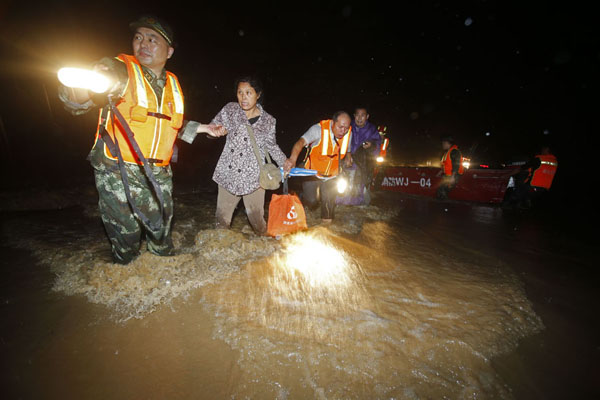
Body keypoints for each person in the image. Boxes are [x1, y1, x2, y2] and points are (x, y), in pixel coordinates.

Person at [59, 15, 225, 264]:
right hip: (117, 170)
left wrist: (203, 128)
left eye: (152, 39)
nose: (143, 44)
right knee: (126, 235)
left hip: (157, 172)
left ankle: (163, 279)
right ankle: (124, 279)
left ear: (169, 51)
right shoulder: (120, 70)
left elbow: (169, 123)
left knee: (161, 235)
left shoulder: (173, 83)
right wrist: (85, 87)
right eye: (138, 38)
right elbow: (77, 102)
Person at [210, 77, 290, 235]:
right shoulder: (230, 110)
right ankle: (221, 255)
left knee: (257, 222)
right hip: (228, 174)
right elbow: (211, 130)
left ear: (258, 94)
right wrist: (214, 132)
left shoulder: (268, 120)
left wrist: (284, 162)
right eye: (240, 93)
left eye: (248, 93)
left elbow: (271, 146)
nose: (243, 97)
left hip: (254, 177)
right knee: (221, 222)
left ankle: (263, 250)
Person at [284, 111, 352, 222]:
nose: (343, 131)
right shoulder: (318, 130)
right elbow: (300, 143)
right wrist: (292, 159)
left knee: (328, 207)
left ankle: (325, 231)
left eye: (346, 128)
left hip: (332, 175)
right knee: (312, 201)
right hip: (312, 173)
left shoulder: (348, 133)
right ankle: (301, 199)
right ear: (333, 123)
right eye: (340, 127)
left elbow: (347, 147)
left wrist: (348, 156)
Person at [436, 135, 464, 200]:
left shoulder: (454, 151)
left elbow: (456, 164)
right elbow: (446, 164)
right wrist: (441, 172)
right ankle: (444, 206)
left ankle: (445, 206)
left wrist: (453, 177)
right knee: (441, 191)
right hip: (448, 176)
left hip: (453, 175)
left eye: (443, 143)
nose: (442, 145)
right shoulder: (447, 152)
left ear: (447, 143)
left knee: (442, 191)